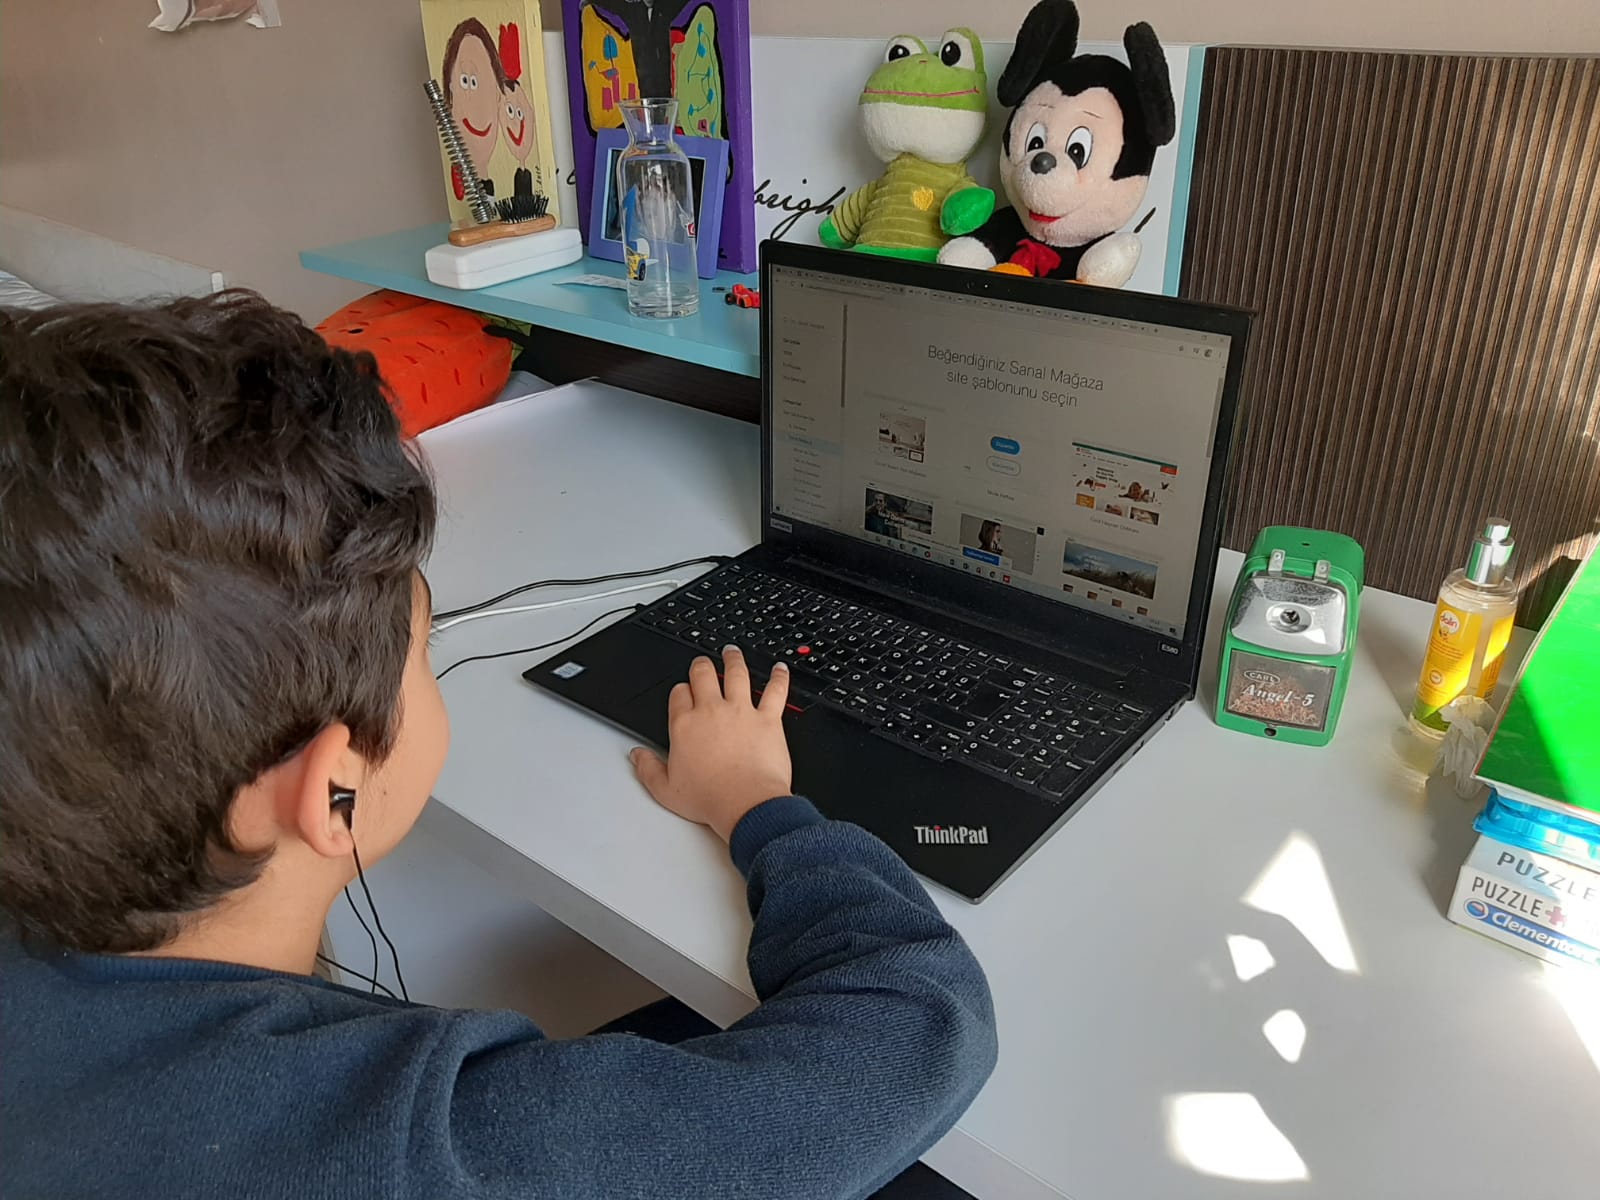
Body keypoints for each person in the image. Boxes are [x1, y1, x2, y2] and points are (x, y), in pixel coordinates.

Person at [0, 294, 997, 1199]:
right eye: (422, 650)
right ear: (332, 790)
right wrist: (754, 800)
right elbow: (919, 1019)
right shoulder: (453, 1152)